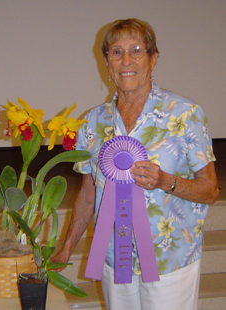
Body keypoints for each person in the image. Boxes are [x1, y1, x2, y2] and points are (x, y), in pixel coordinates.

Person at [52, 18, 219, 310]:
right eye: (116, 52)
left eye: (137, 50)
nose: (126, 60)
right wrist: (66, 247)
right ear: (106, 62)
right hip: (115, 258)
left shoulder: (185, 114)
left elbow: (210, 190)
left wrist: (165, 181)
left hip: (169, 260)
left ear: (153, 58)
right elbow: (88, 194)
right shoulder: (92, 122)